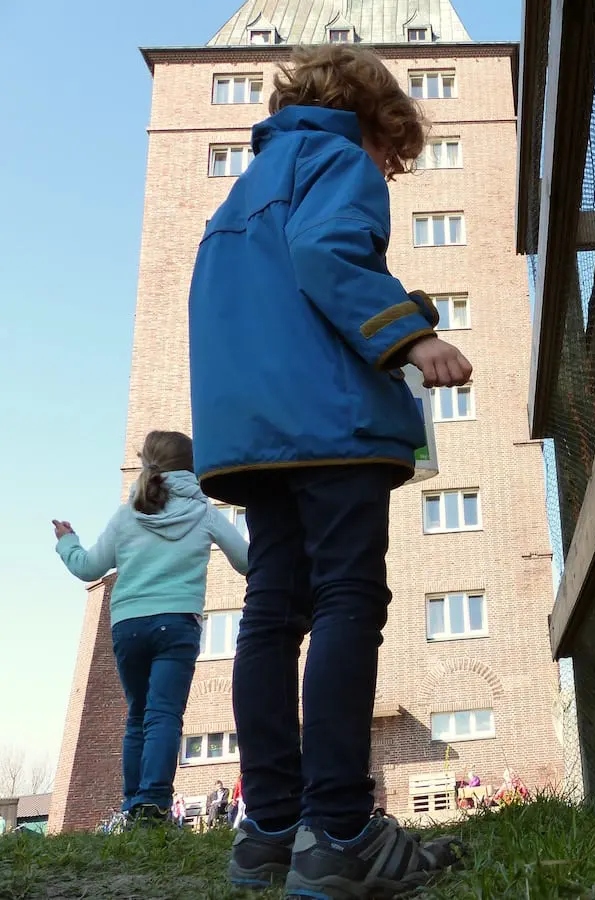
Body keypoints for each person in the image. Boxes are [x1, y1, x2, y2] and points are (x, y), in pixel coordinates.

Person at [187, 44, 470, 897]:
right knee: (351, 596)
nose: (392, 166)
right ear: (372, 118)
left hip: (255, 433)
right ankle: (340, 829)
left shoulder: (244, 187)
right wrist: (412, 336)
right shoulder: (339, 159)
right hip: (330, 421)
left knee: (272, 610)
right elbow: (327, 256)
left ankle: (270, 828)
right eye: (396, 149)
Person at [53, 431, 249, 824]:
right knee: (164, 714)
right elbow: (247, 562)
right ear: (192, 467)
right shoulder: (204, 512)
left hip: (128, 625)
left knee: (138, 715)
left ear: (147, 463)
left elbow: (89, 567)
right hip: (176, 625)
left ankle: (132, 803)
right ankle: (154, 802)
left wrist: (67, 542)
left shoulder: (128, 515)